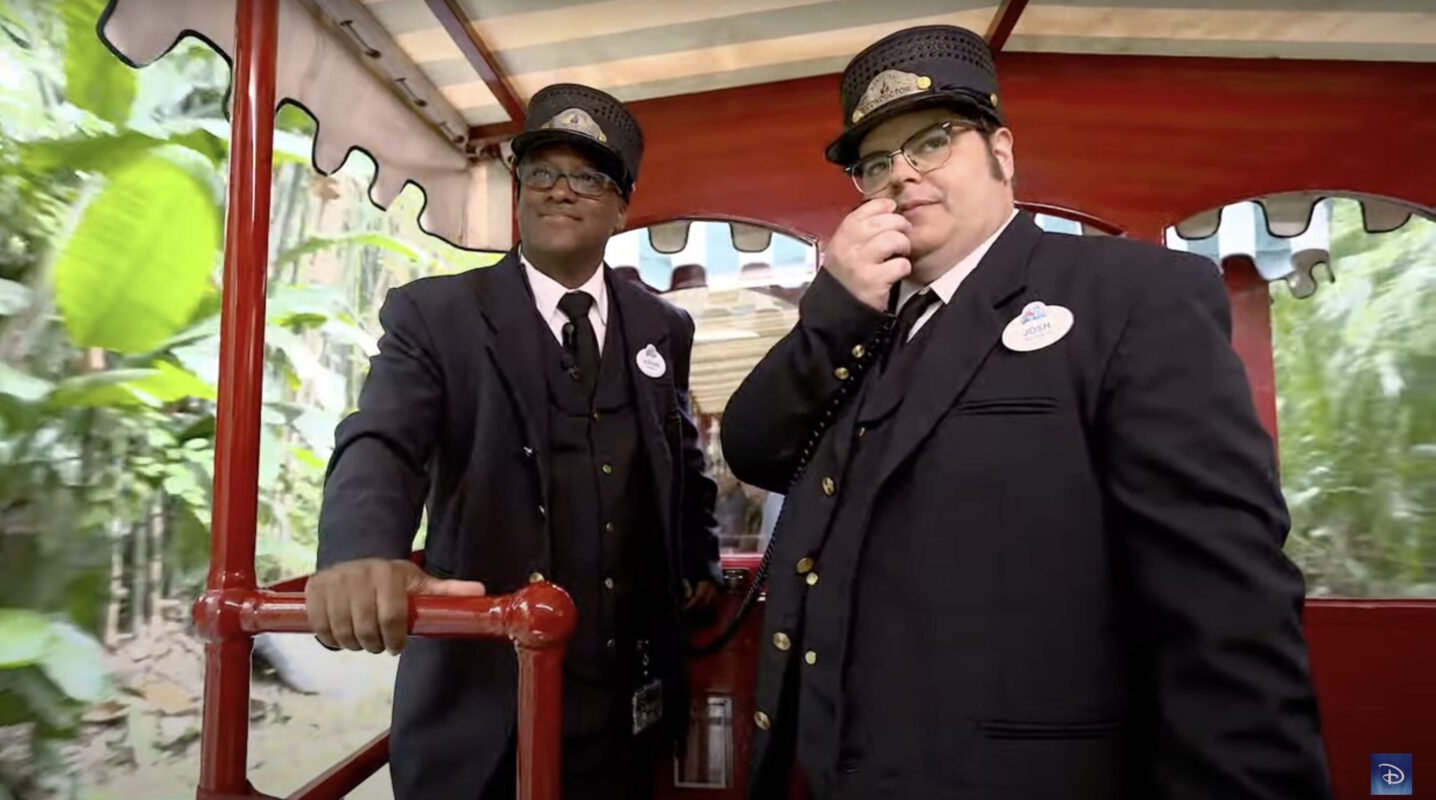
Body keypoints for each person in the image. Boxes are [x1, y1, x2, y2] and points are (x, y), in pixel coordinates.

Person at [720, 25, 1331, 800]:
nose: (902, 174)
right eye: (877, 164)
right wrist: (833, 310)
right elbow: (754, 446)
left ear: (1001, 152)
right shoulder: (859, 332)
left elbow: (1226, 615)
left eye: (933, 141)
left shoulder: (1131, 295)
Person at [307, 83, 722, 800]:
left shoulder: (664, 328)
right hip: (481, 703)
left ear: (622, 204)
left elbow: (679, 452)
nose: (559, 191)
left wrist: (700, 557)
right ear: (519, 189)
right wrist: (360, 550)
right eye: (541, 172)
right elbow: (382, 437)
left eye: (587, 176)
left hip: (624, 704)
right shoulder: (435, 315)